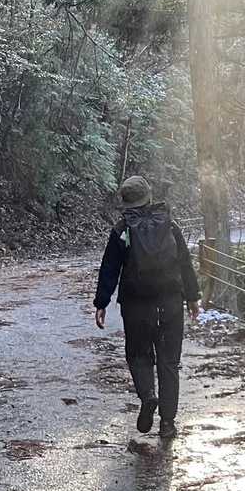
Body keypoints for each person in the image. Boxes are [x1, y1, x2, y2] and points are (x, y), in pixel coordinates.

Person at [93, 175, 200, 440]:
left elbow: (109, 268)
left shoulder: (122, 230)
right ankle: (168, 423)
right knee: (169, 362)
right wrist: (192, 297)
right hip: (170, 305)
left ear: (126, 203)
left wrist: (101, 303)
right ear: (149, 197)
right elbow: (184, 263)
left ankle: (148, 395)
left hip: (136, 306)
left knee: (139, 356)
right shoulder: (170, 225)